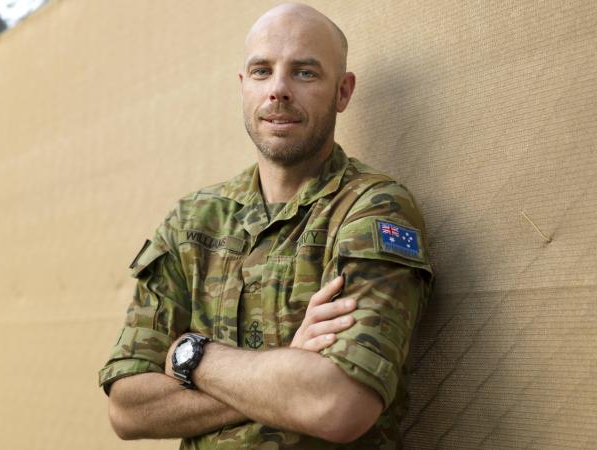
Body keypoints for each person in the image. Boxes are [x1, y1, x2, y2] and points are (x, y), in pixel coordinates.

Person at [98, 3, 433, 448]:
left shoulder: (372, 209)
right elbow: (127, 408)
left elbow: (337, 404)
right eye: (261, 71)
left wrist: (191, 356)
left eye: (304, 73)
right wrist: (288, 365)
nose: (278, 90)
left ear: (342, 92)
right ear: (243, 86)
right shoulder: (192, 221)